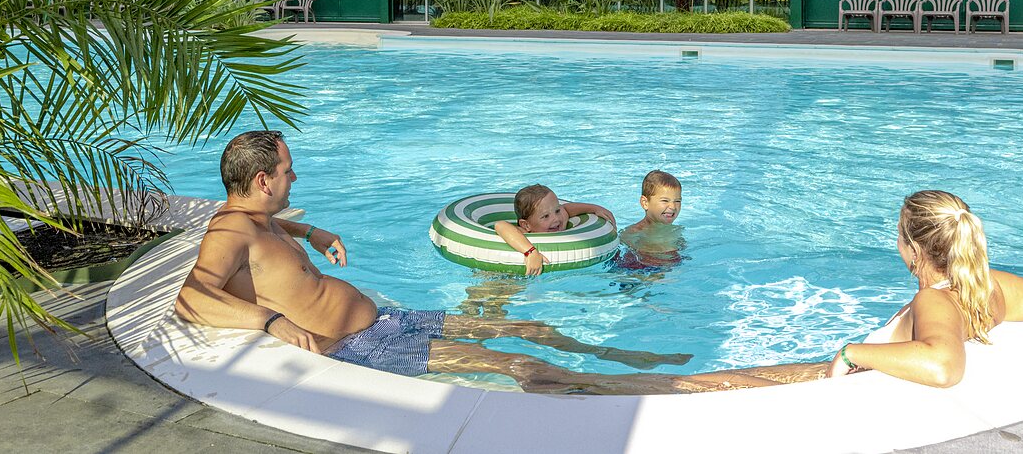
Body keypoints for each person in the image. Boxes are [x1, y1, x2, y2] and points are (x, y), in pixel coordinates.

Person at [173, 131, 690, 393]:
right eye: (288, 172)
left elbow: (265, 238)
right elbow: (192, 296)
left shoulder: (255, 220)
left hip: (385, 321)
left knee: (525, 326)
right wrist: (272, 322)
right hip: (357, 347)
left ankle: (616, 356)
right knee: (510, 363)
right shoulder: (229, 229)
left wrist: (308, 229)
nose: (294, 179)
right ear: (263, 181)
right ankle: (624, 387)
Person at [736, 189, 1023, 387]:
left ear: (913, 249)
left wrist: (851, 352)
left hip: (852, 384)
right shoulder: (986, 286)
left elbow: (944, 366)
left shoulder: (933, 299)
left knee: (689, 386)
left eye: (899, 234)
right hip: (857, 376)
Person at [493, 184, 615, 276]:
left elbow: (566, 209)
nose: (556, 219)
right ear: (526, 225)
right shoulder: (524, 232)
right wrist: (530, 252)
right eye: (545, 216)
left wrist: (595, 208)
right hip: (508, 275)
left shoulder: (560, 218)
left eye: (557, 211)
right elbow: (500, 225)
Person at [615, 170, 684, 271]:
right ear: (645, 203)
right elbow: (622, 258)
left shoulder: (675, 230)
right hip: (643, 269)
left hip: (669, 266)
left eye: (677, 201)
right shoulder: (633, 232)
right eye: (665, 200)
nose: (673, 207)